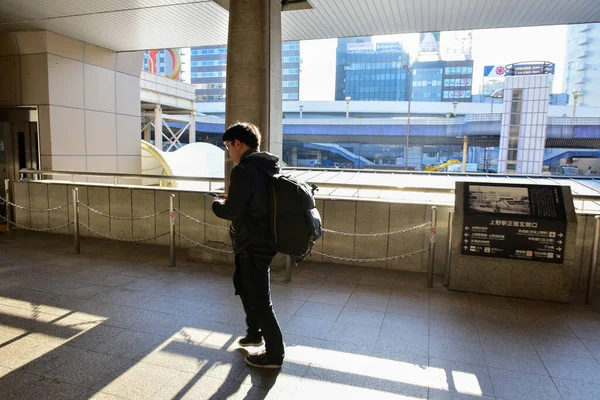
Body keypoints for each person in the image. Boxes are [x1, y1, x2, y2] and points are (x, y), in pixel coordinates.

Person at [211, 122, 285, 369]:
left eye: (228, 146)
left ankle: (274, 356)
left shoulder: (243, 170)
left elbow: (232, 212)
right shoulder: (266, 166)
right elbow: (255, 202)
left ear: (238, 144)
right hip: (265, 240)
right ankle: (254, 332)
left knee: (262, 301)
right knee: (242, 283)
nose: (228, 152)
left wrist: (215, 204)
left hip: (252, 244)